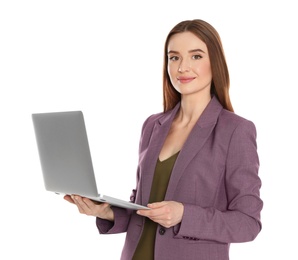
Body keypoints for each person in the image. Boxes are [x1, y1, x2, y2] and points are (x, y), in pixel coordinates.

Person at [64, 19, 263, 260]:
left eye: (196, 56)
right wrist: (106, 212)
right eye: (174, 57)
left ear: (215, 62)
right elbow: (143, 206)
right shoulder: (152, 125)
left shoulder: (235, 130)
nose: (182, 67)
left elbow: (248, 223)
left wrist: (184, 215)